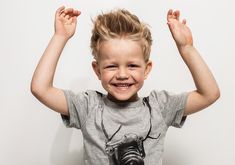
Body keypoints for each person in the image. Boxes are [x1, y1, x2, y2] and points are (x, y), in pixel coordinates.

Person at [31, 6, 220, 165]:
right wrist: (60, 37)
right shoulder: (89, 107)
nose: (122, 75)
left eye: (132, 65)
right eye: (112, 66)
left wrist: (187, 48)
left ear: (147, 69)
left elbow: (209, 94)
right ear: (97, 70)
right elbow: (41, 89)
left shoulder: (159, 107)